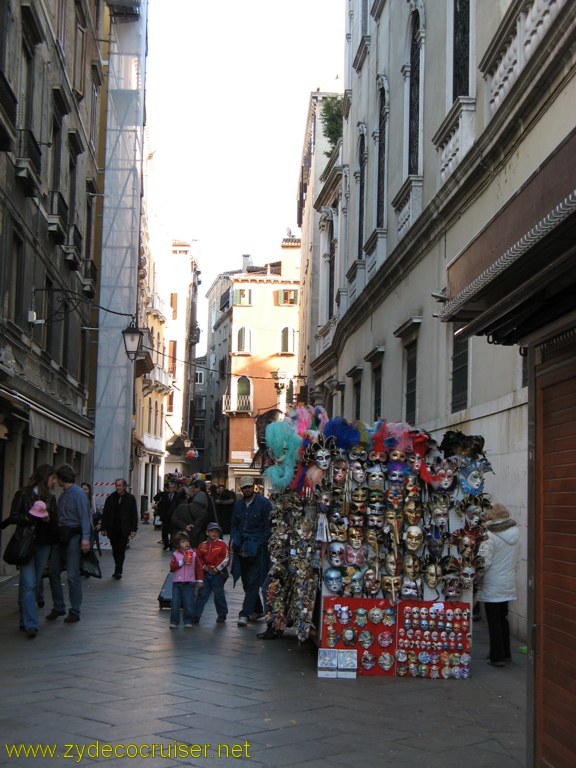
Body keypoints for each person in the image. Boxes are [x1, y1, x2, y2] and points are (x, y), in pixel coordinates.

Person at [0, 464, 59, 638]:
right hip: (26, 543)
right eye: (52, 478)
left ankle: (24, 619)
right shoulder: (24, 494)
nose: (54, 481)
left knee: (33, 582)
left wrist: (48, 518)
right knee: (30, 584)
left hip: (43, 544)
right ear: (45, 477)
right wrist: (32, 516)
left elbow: (54, 519)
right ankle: (31, 624)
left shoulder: (51, 497)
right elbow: (14, 516)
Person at [46, 464, 92, 623]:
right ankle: (59, 606)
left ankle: (75, 610)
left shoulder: (78, 494)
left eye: (57, 478)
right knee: (53, 571)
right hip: (62, 535)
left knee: (72, 575)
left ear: (61, 478)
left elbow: (85, 516)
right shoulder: (64, 494)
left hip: (73, 536)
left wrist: (85, 538)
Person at [477, 503, 520, 667]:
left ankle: (497, 656)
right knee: (503, 618)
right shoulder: (516, 532)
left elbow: (484, 562)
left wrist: (477, 578)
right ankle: (506, 653)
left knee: (493, 620)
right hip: (508, 581)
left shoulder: (489, 536)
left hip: (492, 582)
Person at [230, 476, 272, 627]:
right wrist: (235, 538)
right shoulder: (238, 505)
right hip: (241, 546)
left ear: (253, 487)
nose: (247, 490)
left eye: (249, 487)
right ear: (241, 489)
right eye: (244, 488)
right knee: (246, 582)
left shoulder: (264, 503)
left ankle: (244, 613)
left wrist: (259, 544)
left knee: (253, 582)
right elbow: (234, 525)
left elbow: (268, 528)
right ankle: (258, 609)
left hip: (257, 548)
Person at [101, 478, 138, 580]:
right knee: (115, 550)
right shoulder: (111, 498)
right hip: (113, 529)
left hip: (124, 529)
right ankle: (117, 568)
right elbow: (106, 514)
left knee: (121, 550)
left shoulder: (130, 499)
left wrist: (133, 529)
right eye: (117, 485)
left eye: (120, 485)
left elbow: (133, 514)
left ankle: (118, 570)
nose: (118, 487)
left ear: (124, 487)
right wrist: (104, 527)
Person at [193, 522, 229, 624]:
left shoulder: (222, 545)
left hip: (218, 574)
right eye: (212, 531)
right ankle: (196, 615)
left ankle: (222, 614)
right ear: (207, 532)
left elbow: (225, 559)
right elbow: (199, 558)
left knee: (219, 595)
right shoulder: (202, 545)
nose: (214, 533)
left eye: (216, 531)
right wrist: (204, 567)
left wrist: (216, 569)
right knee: (202, 595)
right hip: (206, 573)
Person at [169, 531, 203, 628]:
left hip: (189, 583)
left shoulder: (194, 555)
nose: (186, 543)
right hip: (177, 583)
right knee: (175, 604)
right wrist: (181, 562)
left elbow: (198, 568)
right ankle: (174, 621)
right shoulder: (175, 554)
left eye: (187, 541)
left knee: (189, 603)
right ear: (178, 544)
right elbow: (172, 568)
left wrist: (200, 580)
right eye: (183, 542)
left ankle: (188, 620)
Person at [170, 480, 211, 549]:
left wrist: (185, 526)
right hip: (193, 541)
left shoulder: (181, 506)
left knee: (178, 557)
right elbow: (197, 527)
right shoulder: (203, 512)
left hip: (179, 538)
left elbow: (174, 518)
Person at [155, 480, 181, 550]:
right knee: (165, 531)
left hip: (173, 516)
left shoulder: (178, 495)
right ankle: (166, 544)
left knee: (173, 531)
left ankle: (172, 544)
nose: (171, 489)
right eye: (170, 487)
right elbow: (158, 500)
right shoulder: (165, 495)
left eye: (172, 487)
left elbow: (179, 505)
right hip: (165, 516)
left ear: (175, 488)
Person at [81, 482, 101, 555]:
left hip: (91, 528)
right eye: (82, 489)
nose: (83, 491)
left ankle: (88, 565)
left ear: (89, 490)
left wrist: (99, 523)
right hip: (80, 528)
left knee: (89, 548)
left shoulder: (93, 500)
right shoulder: (78, 499)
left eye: (85, 489)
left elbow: (99, 512)